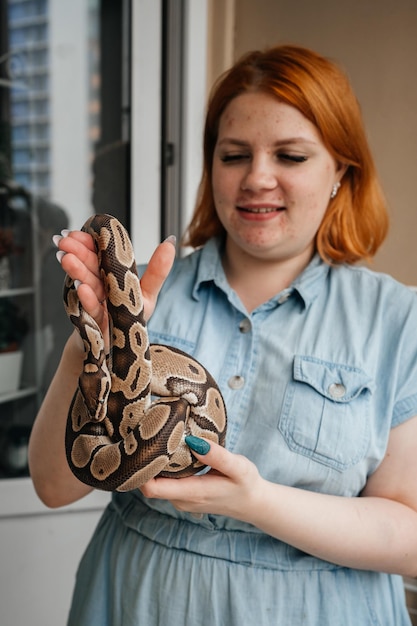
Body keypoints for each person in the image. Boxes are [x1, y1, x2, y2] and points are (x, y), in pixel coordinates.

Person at [28, 44, 417, 625]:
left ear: (342, 170)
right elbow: (55, 488)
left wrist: (258, 503)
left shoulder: (398, 320)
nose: (257, 177)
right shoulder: (140, 296)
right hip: (135, 600)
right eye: (234, 154)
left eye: (290, 155)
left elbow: (409, 532)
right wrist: (91, 348)